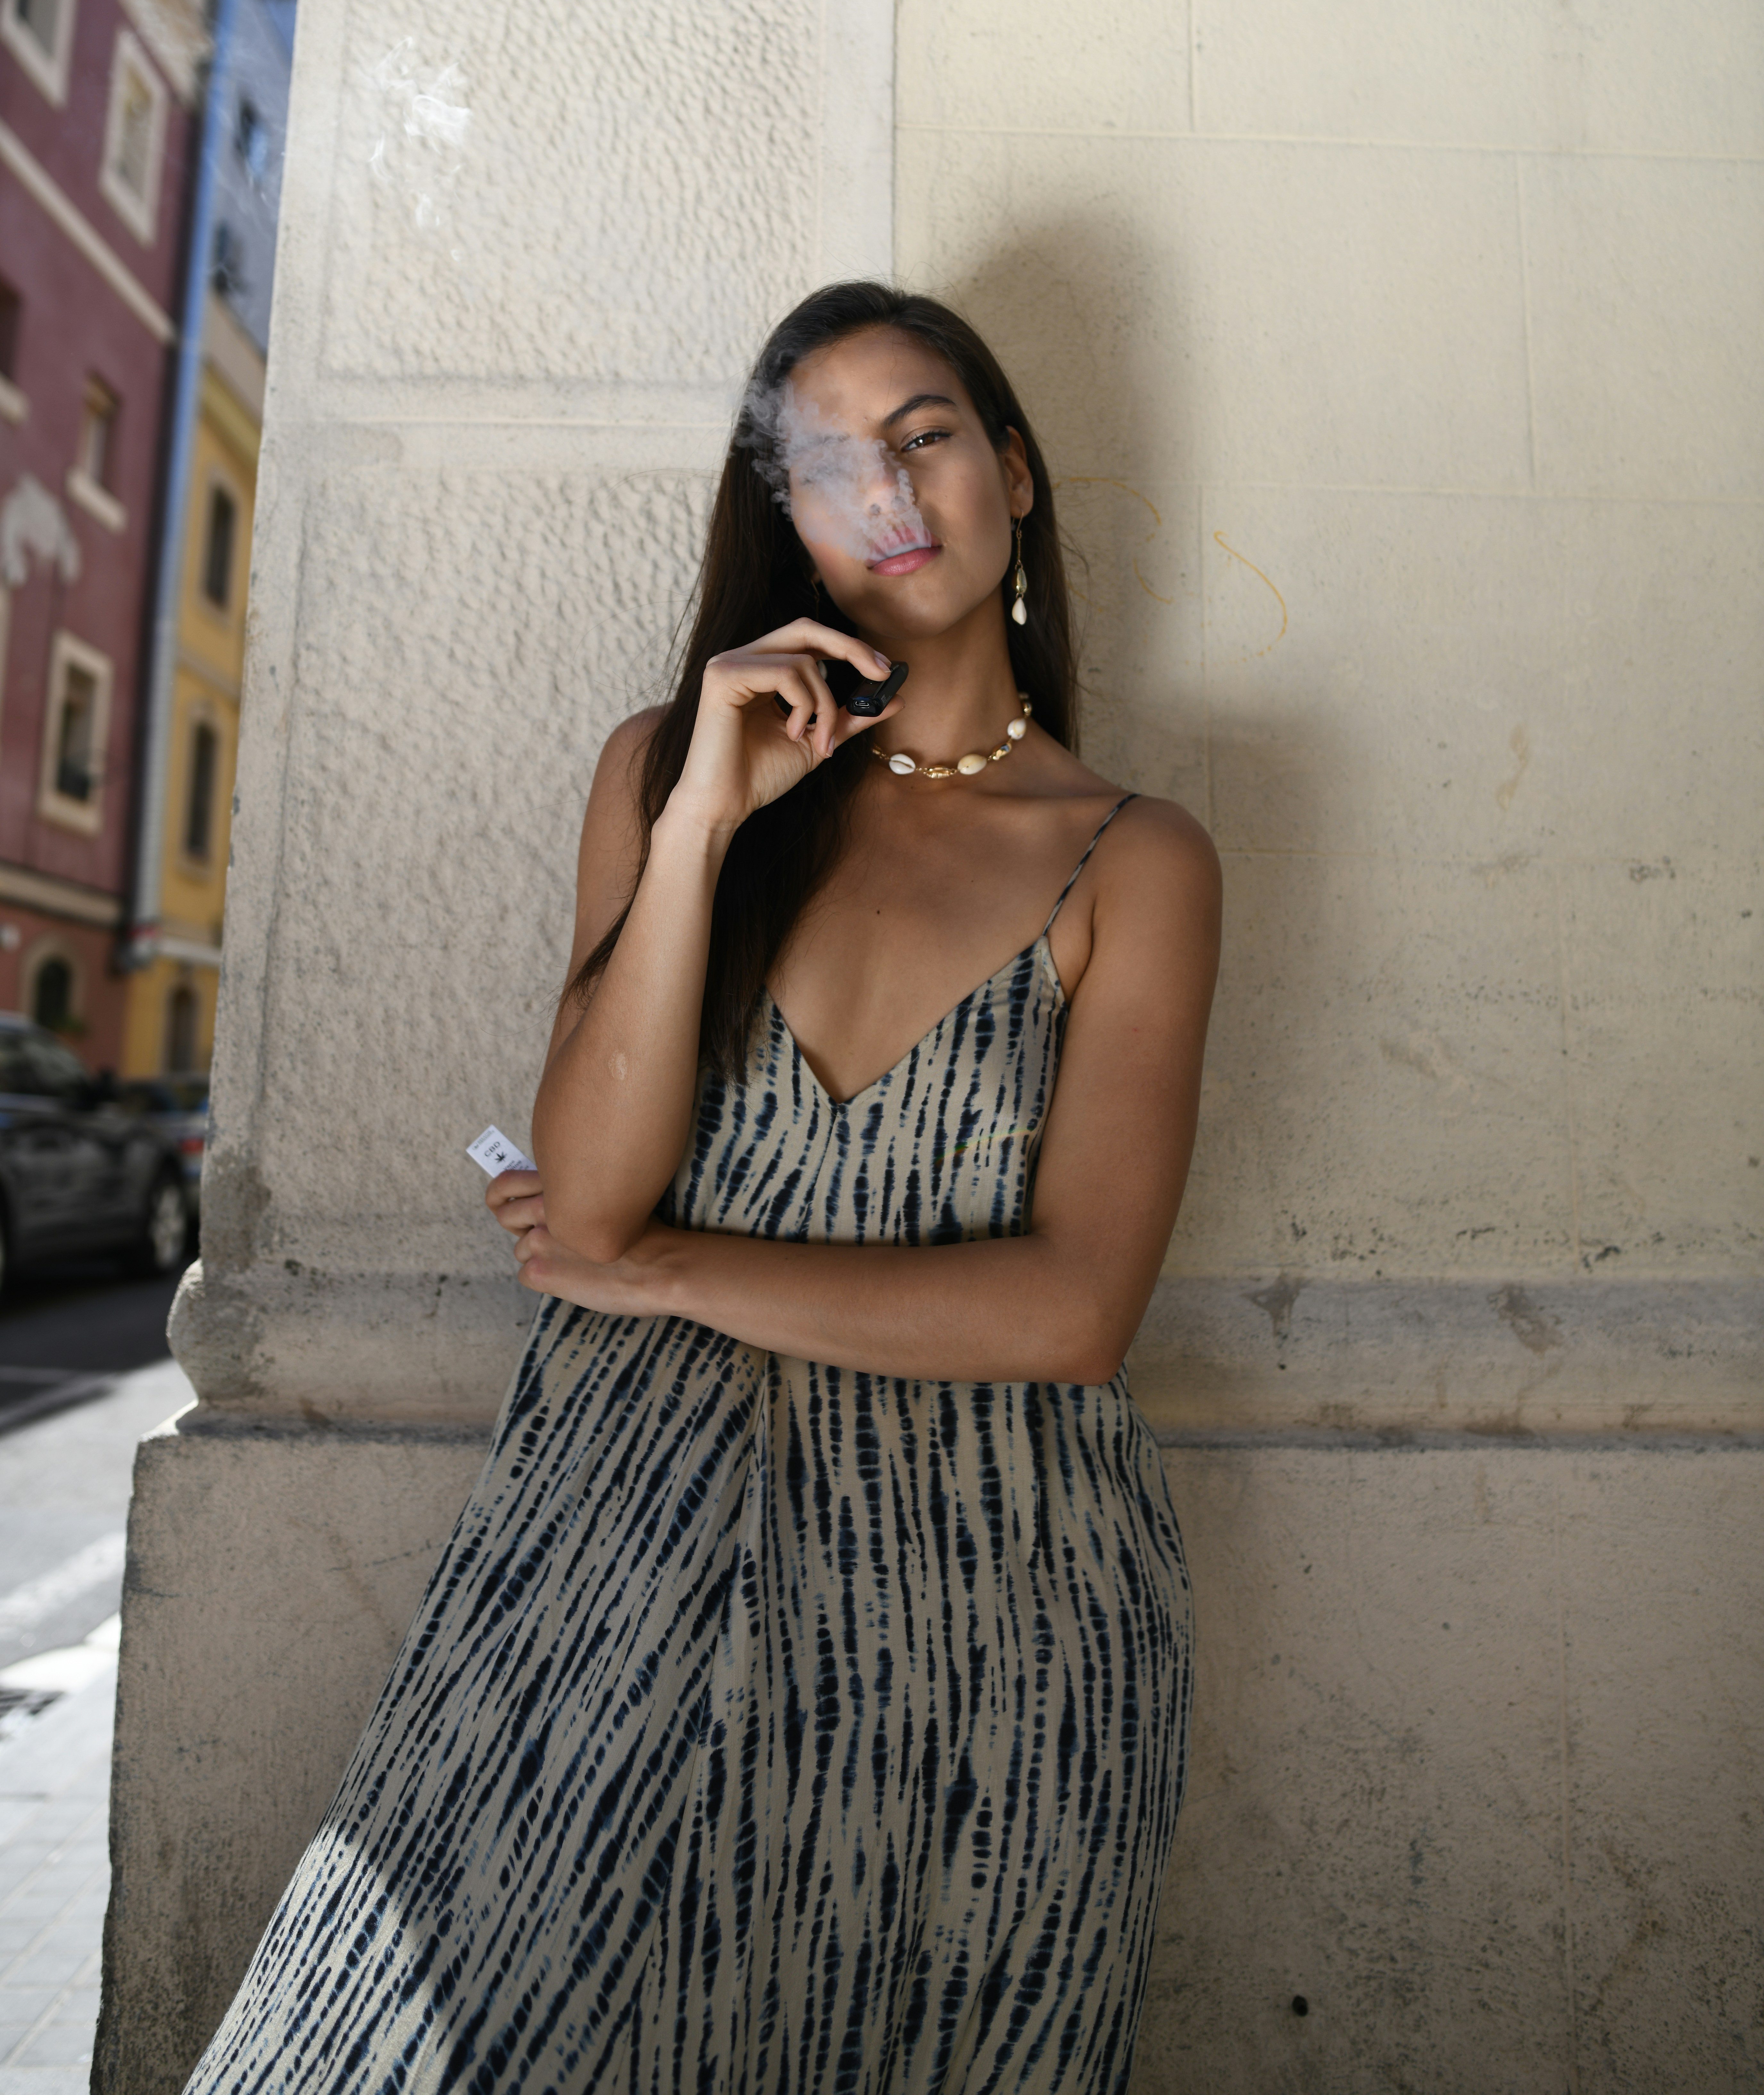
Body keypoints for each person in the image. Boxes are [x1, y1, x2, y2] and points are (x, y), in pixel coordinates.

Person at [185, 284, 1221, 2095]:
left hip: (992, 1606)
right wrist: (697, 831)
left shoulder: (1135, 859)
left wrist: (670, 1273)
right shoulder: (666, 774)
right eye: (829, 466)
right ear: (787, 525)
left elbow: (1068, 1316)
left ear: (1017, 475)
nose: (888, 490)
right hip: (618, 1541)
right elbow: (581, 1206)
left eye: (926, 433)